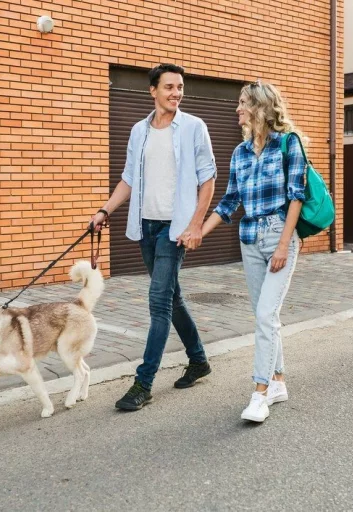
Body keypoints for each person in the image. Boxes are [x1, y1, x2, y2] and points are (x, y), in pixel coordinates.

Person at [90, 63, 217, 411]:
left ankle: (143, 383)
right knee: (173, 299)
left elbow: (208, 179)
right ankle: (198, 360)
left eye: (180, 87)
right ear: (153, 91)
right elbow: (129, 179)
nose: (176, 93)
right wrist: (104, 211)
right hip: (145, 226)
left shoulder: (194, 127)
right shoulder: (138, 131)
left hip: (174, 230)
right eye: (169, 87)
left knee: (158, 301)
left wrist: (195, 225)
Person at [196, 81, 306, 423]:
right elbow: (230, 202)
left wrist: (285, 244)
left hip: (278, 234)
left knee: (264, 316)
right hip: (249, 238)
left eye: (243, 103)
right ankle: (278, 381)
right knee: (265, 314)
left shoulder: (288, 143)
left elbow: (296, 196)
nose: (237, 109)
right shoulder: (240, 153)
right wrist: (199, 231)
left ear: (260, 107)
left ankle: (259, 393)